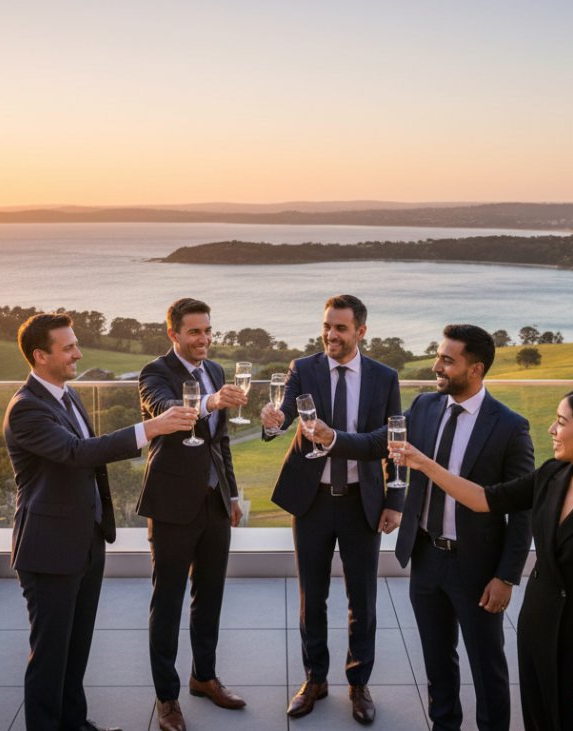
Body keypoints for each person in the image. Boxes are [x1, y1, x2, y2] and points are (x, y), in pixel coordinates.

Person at [393, 385, 573, 730]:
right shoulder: (552, 475)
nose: (552, 430)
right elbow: (483, 499)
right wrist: (424, 464)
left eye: (562, 422)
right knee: (537, 720)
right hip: (537, 623)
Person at [315, 324, 533, 730]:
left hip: (479, 567)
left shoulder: (509, 426)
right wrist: (332, 438)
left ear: (476, 368)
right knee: (437, 662)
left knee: (487, 668)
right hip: (427, 556)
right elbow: (376, 441)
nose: (437, 366)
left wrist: (506, 576)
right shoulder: (425, 407)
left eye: (447, 360)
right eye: (438, 355)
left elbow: (523, 512)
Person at [5, 312, 197, 731]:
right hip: (49, 549)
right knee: (50, 656)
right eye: (68, 347)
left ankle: (75, 724)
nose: (78, 352)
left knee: (75, 651)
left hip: (84, 540)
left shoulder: (65, 395)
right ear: (40, 356)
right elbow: (78, 453)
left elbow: (84, 456)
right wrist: (153, 428)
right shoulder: (26, 410)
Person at [259, 294, 402, 724]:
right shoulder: (304, 368)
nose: (330, 335)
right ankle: (315, 678)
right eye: (326, 326)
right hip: (312, 501)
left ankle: (358, 684)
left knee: (363, 599)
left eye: (340, 328)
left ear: (361, 331)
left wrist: (395, 500)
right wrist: (272, 422)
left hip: (363, 502)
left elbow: (392, 439)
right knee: (312, 597)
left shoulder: (384, 376)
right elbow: (284, 415)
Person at [137, 298, 248, 731]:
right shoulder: (154, 373)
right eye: (195, 332)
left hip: (214, 503)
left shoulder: (216, 370)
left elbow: (220, 443)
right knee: (167, 602)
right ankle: (167, 698)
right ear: (174, 335)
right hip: (170, 506)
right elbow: (168, 414)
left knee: (210, 596)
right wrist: (212, 401)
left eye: (208, 331)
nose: (204, 339)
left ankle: (204, 677)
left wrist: (233, 494)